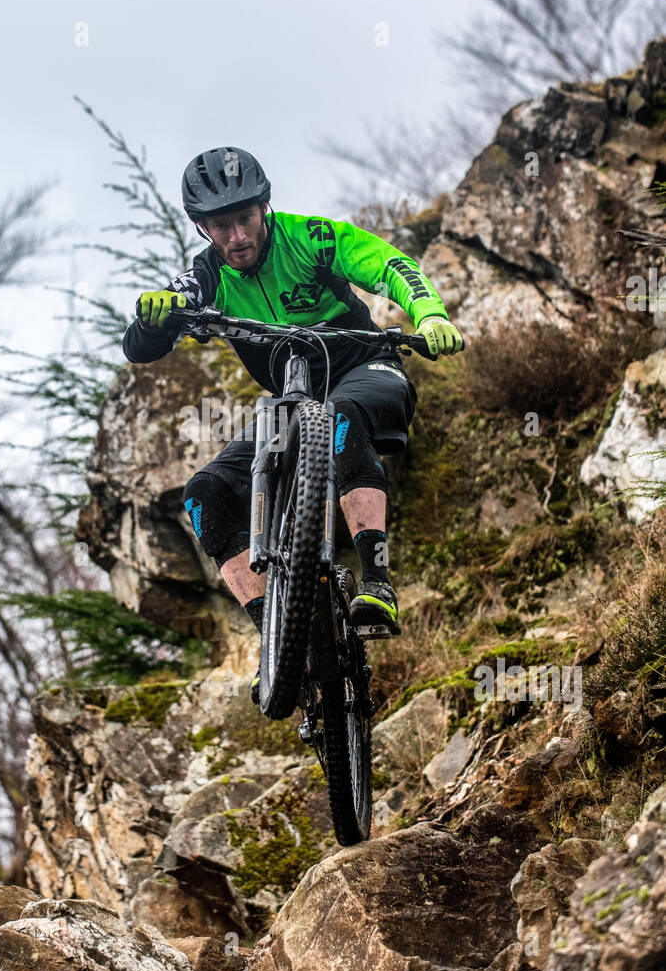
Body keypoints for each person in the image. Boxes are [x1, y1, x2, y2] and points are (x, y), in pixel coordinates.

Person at [122, 146, 463, 702]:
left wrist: (428, 314)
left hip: (365, 369)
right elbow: (148, 340)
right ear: (203, 228)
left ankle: (376, 581)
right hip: (289, 400)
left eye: (245, 218)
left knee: (339, 418)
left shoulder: (311, 237)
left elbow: (391, 266)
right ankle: (278, 639)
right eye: (220, 225)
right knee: (204, 493)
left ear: (264, 209)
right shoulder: (207, 273)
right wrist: (155, 315)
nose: (236, 236)